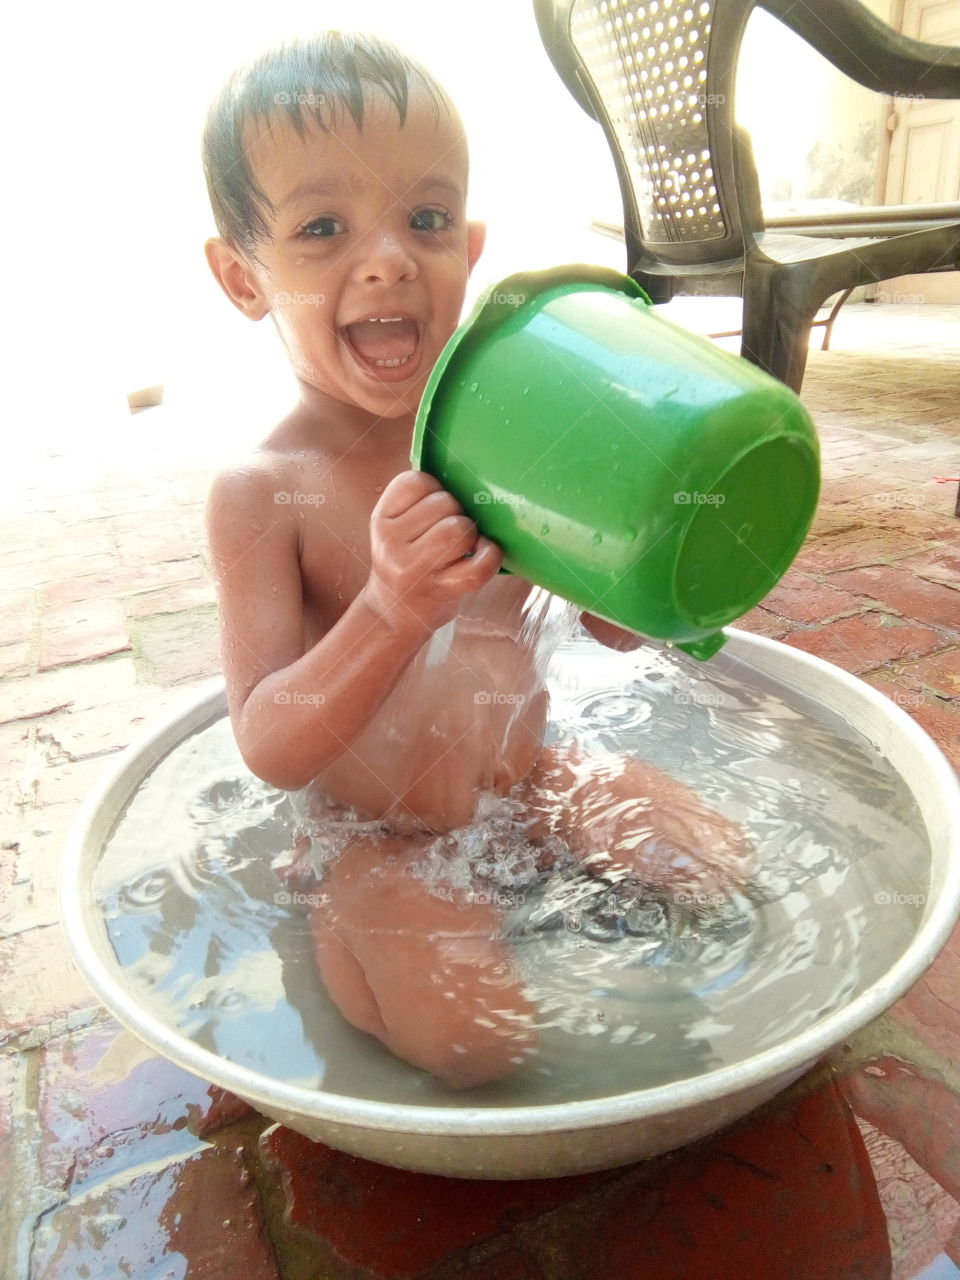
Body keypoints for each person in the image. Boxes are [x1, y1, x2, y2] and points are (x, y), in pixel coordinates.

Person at [202, 31, 749, 1089]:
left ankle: (502, 902)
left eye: (426, 218)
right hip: (378, 835)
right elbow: (268, 740)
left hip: (527, 783)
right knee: (476, 1043)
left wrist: (661, 562)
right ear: (242, 277)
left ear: (471, 243)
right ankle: (344, 911)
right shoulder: (268, 490)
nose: (387, 258)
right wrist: (387, 609)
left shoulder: (514, 443)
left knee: (718, 869)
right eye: (322, 227)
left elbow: (616, 617)